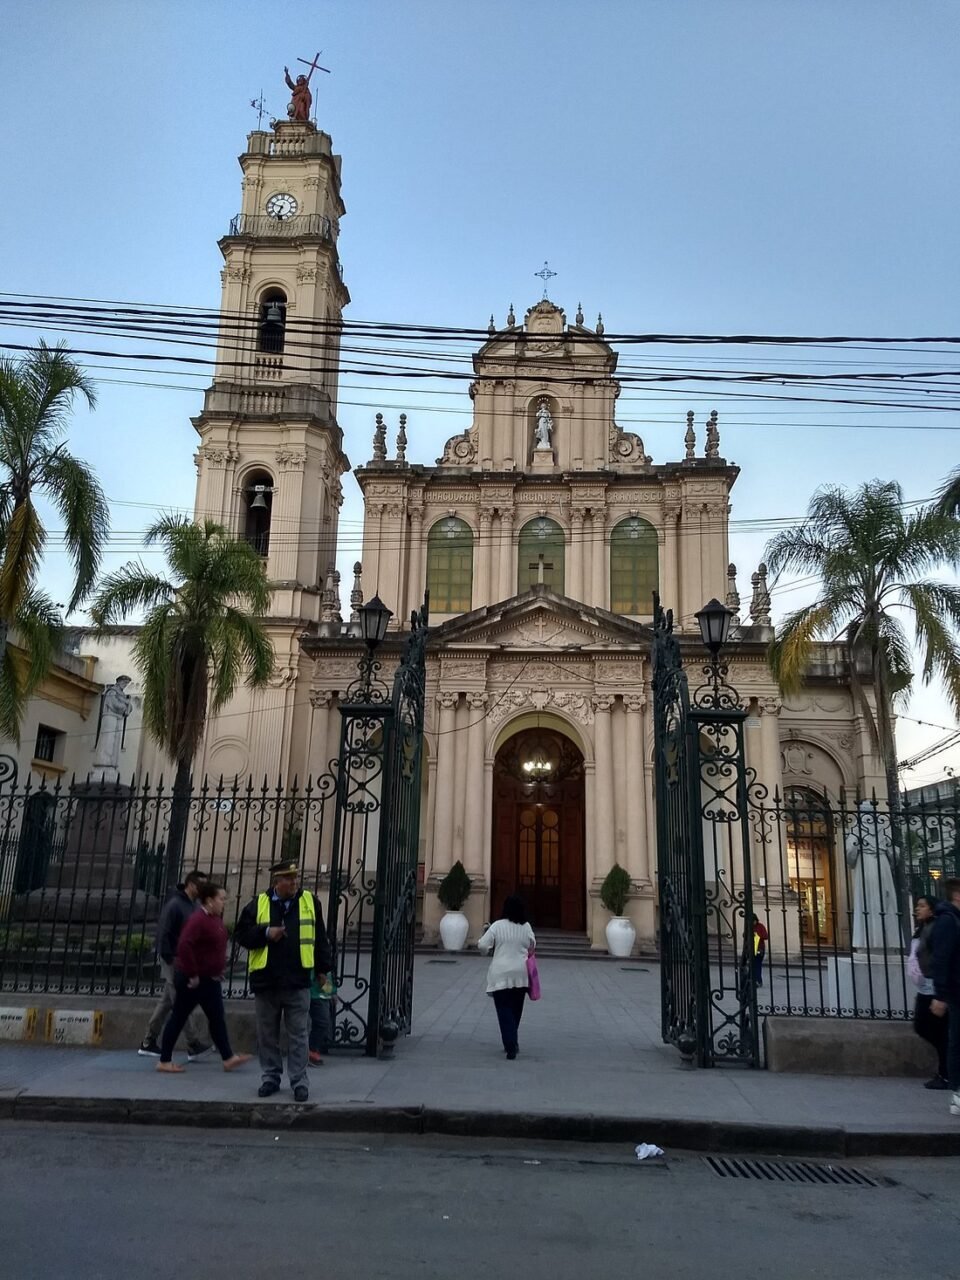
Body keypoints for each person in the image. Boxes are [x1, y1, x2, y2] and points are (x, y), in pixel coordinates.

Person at [236, 859, 333, 1101]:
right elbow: (241, 934)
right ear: (277, 881)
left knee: (299, 1034)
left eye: (295, 878)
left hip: (297, 980)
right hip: (266, 980)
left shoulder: (310, 901)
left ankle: (299, 1081)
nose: (294, 882)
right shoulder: (259, 903)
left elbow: (320, 938)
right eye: (289, 879)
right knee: (267, 1033)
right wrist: (267, 932)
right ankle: (270, 1077)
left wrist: (323, 970)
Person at [156, 881, 251, 1074]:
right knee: (179, 1017)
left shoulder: (214, 919)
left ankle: (228, 1057)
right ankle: (164, 1060)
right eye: (221, 898)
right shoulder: (198, 919)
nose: (224, 902)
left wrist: (218, 969)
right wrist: (192, 973)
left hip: (209, 979)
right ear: (209, 900)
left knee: (216, 1018)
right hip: (194, 980)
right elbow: (184, 945)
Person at [138, 870, 211, 1060]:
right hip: (173, 959)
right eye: (201, 884)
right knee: (181, 1001)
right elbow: (164, 932)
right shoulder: (175, 905)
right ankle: (193, 1043)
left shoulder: (193, 905)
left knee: (166, 1002)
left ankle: (148, 1041)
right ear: (191, 885)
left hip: (184, 959)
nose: (204, 888)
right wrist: (169, 958)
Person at [477, 895, 536, 1060]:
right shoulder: (526, 927)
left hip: (500, 973)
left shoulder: (497, 926)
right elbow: (532, 945)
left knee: (504, 1010)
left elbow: (482, 944)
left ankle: (510, 1044)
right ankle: (512, 1041)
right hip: (521, 973)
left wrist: (486, 951)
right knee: (516, 1010)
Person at [909, 895, 948, 1089]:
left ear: (932, 909)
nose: (918, 909)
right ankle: (946, 1070)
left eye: (922, 906)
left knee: (931, 1028)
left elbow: (938, 957)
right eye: (917, 905)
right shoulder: (922, 928)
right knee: (925, 1027)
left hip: (935, 987)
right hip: (926, 985)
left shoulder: (935, 928)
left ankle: (946, 1072)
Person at [931, 877, 960, 1116]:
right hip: (956, 991)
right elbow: (940, 959)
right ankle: (957, 1093)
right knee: (957, 1041)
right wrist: (940, 995)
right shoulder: (948, 921)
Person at [752, 915, 769, 987]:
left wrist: (757, 936)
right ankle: (753, 980)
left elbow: (765, 936)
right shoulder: (749, 926)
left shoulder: (760, 926)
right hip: (751, 948)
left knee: (757, 964)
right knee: (752, 965)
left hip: (759, 948)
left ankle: (758, 980)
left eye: (754, 921)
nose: (753, 922)